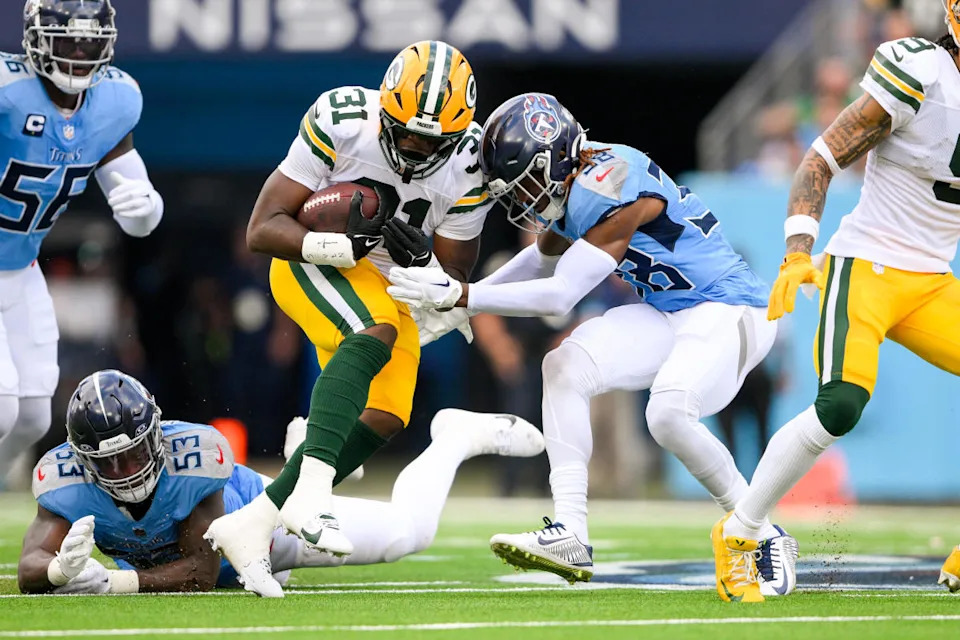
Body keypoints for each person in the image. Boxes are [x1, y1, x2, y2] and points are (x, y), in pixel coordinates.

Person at [387, 93, 795, 594]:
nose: (522, 200)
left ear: (553, 157)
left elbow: (560, 295)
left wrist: (464, 292)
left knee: (666, 414)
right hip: (672, 311)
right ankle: (571, 535)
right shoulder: (575, 178)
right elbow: (540, 260)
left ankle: (759, 529)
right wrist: (465, 305)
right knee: (564, 365)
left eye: (525, 184)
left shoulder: (609, 183)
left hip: (731, 309)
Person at [202, 39, 493, 594]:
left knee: (386, 414)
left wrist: (422, 259)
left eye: (430, 139)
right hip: (313, 258)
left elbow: (452, 271)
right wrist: (338, 244)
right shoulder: (342, 118)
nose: (412, 145)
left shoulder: (471, 161)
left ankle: (253, 522)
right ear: (383, 107)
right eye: (404, 130)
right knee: (373, 330)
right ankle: (312, 491)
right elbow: (262, 228)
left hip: (388, 281)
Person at [710, 7, 960, 602]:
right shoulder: (921, 71)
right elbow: (820, 158)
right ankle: (741, 532)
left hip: (933, 278)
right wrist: (799, 251)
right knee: (842, 403)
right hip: (869, 264)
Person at [18, 369, 544, 596]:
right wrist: (59, 572)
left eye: (133, 453)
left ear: (155, 435)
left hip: (270, 528)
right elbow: (29, 566)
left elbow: (205, 569)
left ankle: (454, 436)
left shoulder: (192, 457)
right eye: (105, 463)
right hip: (233, 567)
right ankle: (313, 455)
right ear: (79, 460)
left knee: (410, 534)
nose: (123, 471)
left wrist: (114, 582)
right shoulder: (62, 482)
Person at [0, 0, 163, 479]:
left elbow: (137, 206)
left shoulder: (115, 101)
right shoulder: (9, 90)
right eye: (68, 41)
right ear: (36, 41)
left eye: (90, 41)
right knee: (3, 407)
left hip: (21, 266)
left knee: (32, 414)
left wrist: (145, 208)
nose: (79, 52)